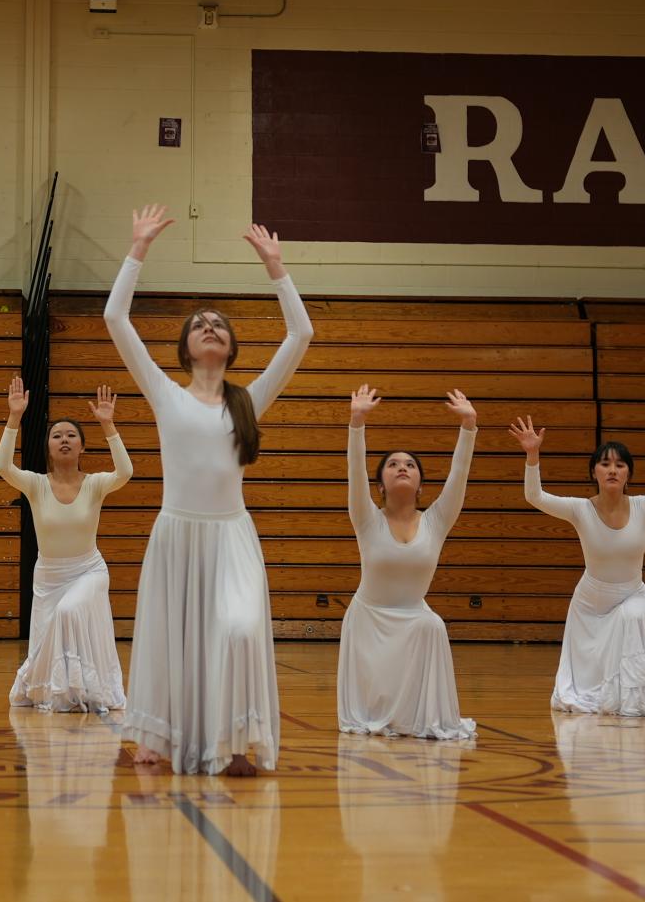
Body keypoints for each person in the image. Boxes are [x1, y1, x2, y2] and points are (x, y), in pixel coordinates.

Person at [104, 205, 314, 774]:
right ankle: (160, 739)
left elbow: (301, 334)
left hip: (231, 539)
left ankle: (235, 740)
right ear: (186, 347)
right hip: (177, 535)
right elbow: (116, 319)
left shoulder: (247, 400)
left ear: (230, 346)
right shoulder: (164, 394)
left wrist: (276, 268)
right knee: (172, 644)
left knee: (241, 630)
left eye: (219, 324)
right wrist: (137, 250)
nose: (210, 328)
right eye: (200, 324)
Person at [336, 384, 478, 739]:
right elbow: (354, 470)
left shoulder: (437, 520)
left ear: (420, 486)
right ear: (380, 485)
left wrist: (469, 426)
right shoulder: (366, 517)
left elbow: (459, 476)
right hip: (369, 621)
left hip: (414, 620)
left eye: (410, 465)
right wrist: (357, 423)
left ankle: (422, 716)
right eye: (393, 465)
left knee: (432, 625)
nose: (402, 468)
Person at [517, 422, 645, 716]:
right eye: (605, 464)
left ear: (628, 473)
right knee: (588, 689)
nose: (612, 470)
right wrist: (532, 455)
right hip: (590, 605)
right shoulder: (580, 509)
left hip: (632, 594)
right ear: (594, 471)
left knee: (632, 615)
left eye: (620, 465)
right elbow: (535, 497)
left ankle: (639, 700)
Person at [0, 380, 133, 713]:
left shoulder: (96, 483)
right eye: (57, 435)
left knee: (69, 611)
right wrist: (14, 418)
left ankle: (84, 687)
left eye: (71, 435)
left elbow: (125, 471)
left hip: (89, 571)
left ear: (82, 447)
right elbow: (3, 467)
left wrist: (108, 424)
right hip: (48, 577)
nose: (65, 440)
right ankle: (64, 689)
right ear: (49, 447)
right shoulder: (35, 484)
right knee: (46, 642)